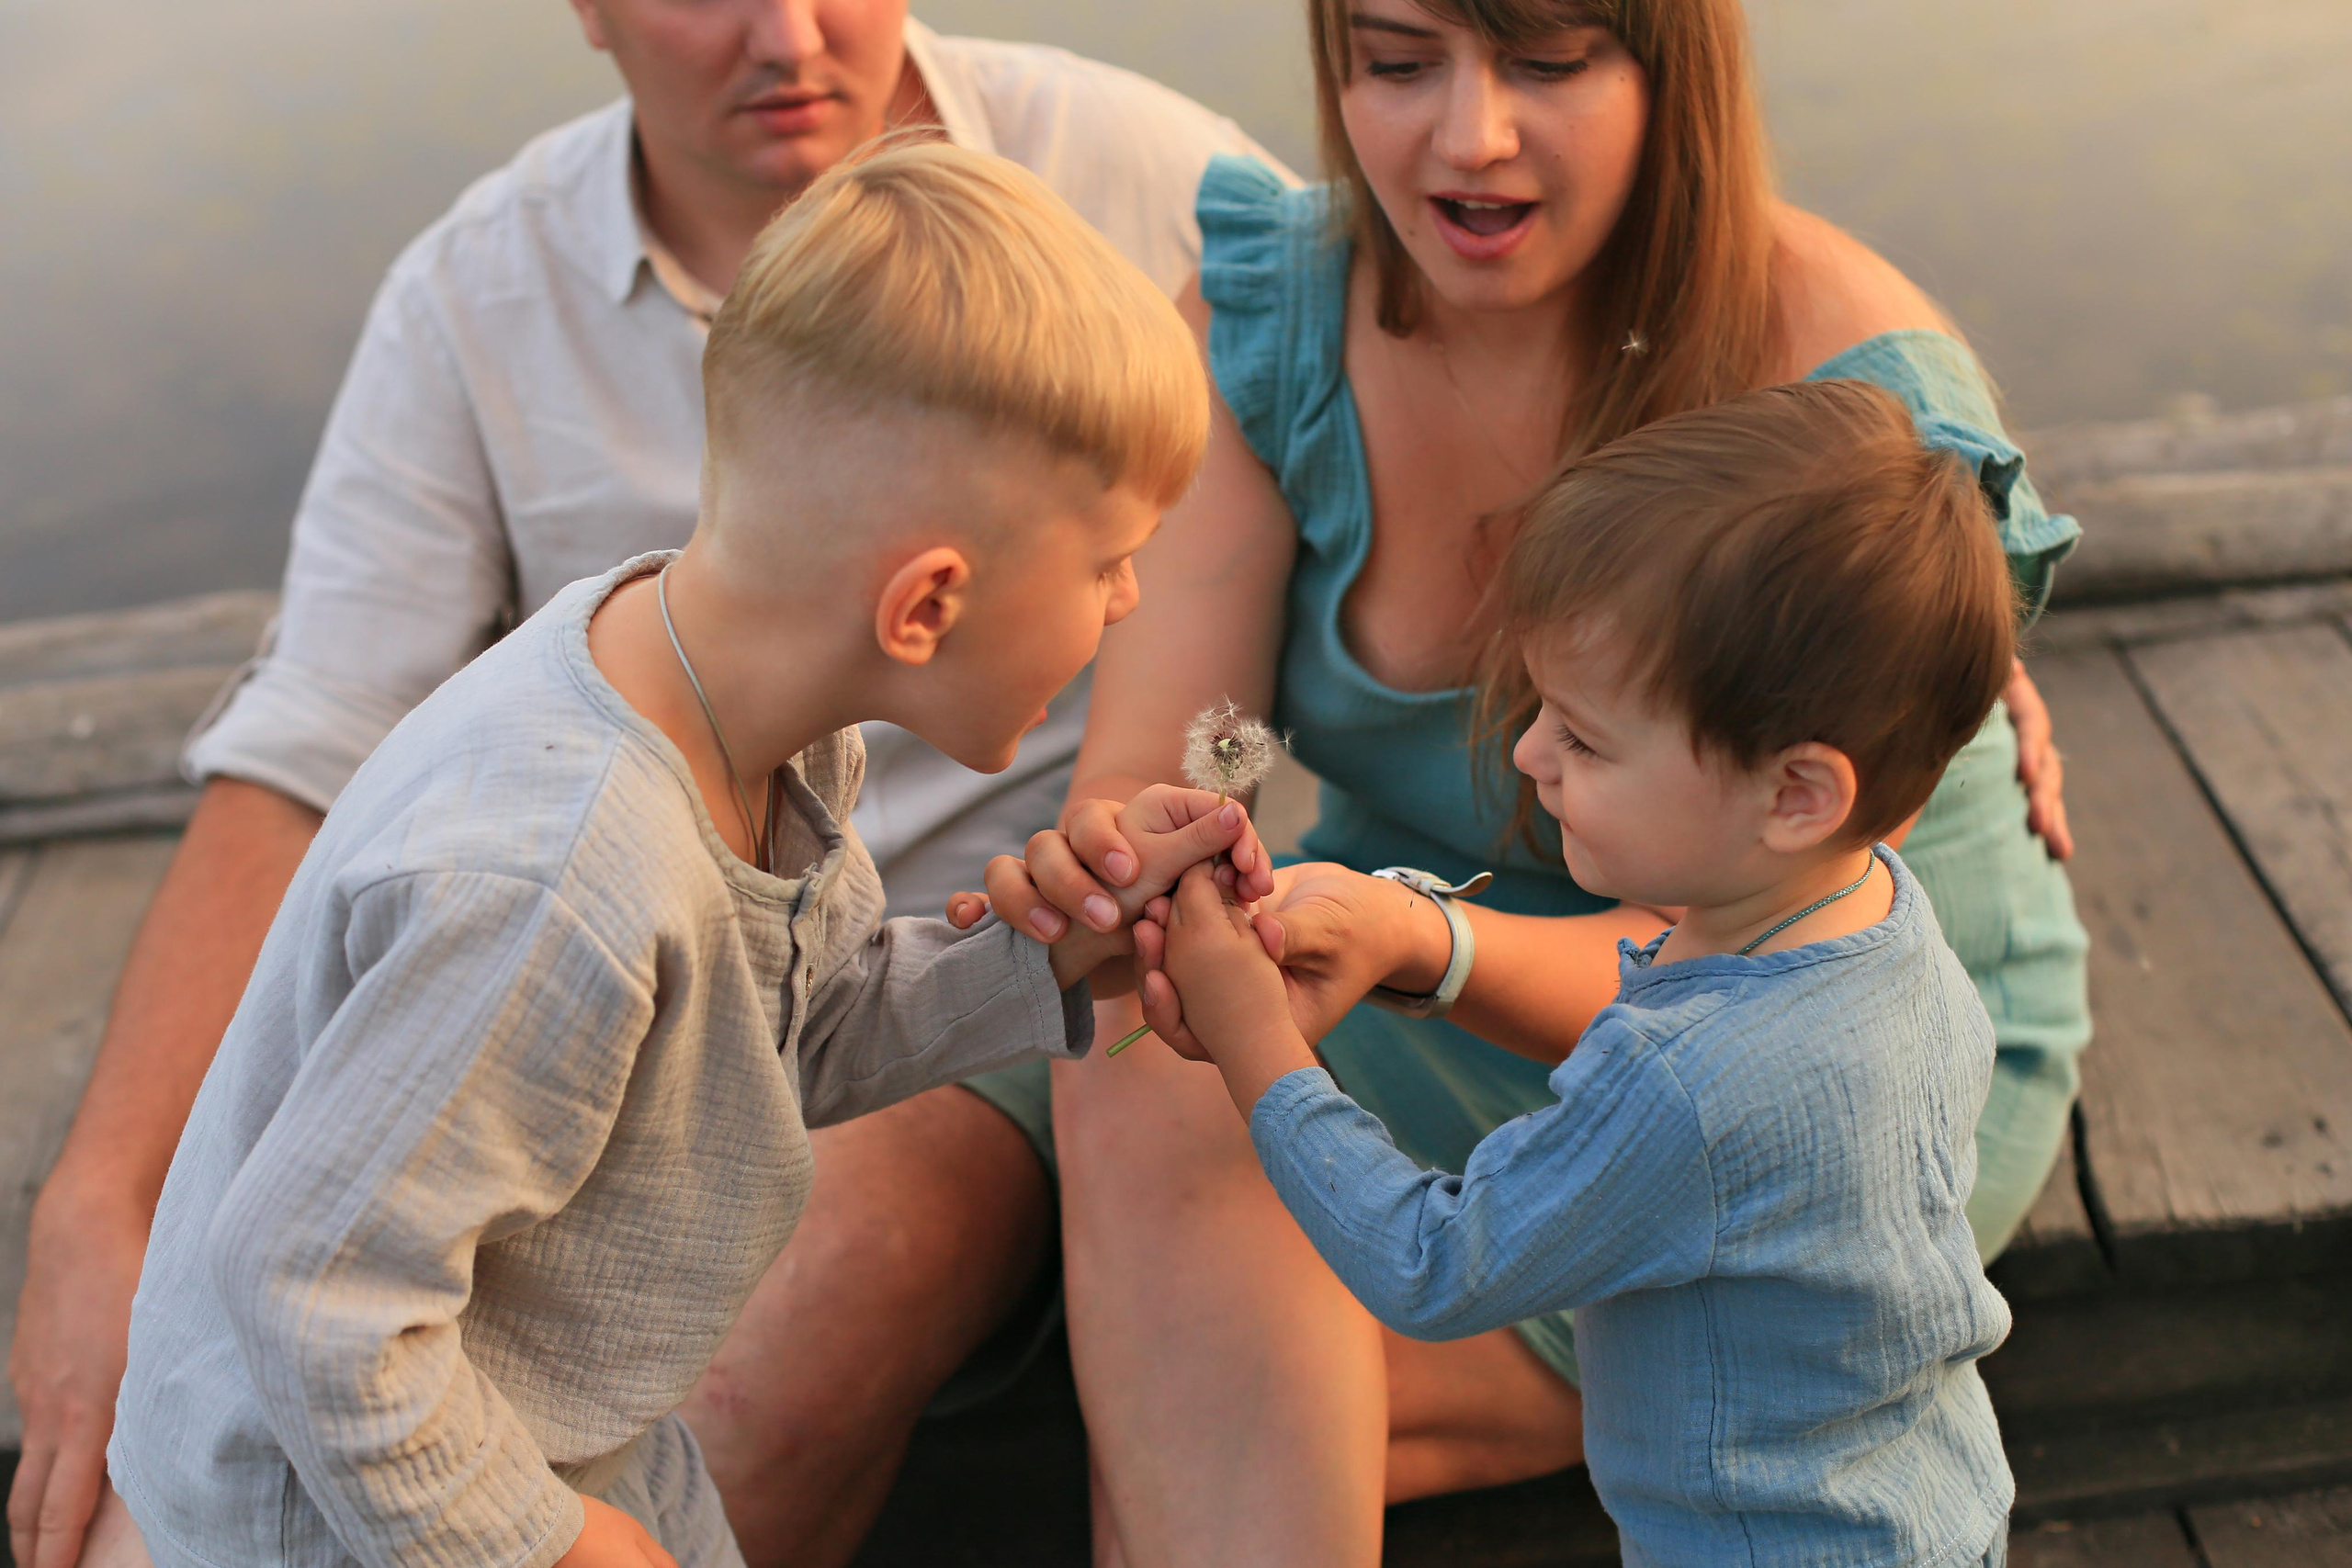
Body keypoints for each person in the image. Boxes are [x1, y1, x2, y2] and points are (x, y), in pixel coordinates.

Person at [8, 6, 1285, 1567]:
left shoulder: (743, 699)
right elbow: (316, 1293)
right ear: (925, 607)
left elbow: (773, 1034)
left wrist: (1039, 968)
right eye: (1108, 565)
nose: (1136, 610)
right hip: (346, 1524)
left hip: (567, 1432)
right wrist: (547, 1543)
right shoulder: (555, 883)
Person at [978, 0, 2087, 1558]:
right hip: (1430, 938)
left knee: (1205, 1415)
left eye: (1550, 60)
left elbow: (1726, 1001)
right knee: (1140, 1235)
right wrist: (1167, 832)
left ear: (1670, 72)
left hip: (1778, 1060)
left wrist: (1349, 975)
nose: (1468, 134)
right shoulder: (1268, 311)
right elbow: (1201, 726)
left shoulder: (1858, 395)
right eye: (1396, 58)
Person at [1137, 378, 2020, 1567]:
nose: (1530, 754)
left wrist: (1261, 1051)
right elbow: (1683, 988)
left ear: (1796, 793)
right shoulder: (1883, 922)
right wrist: (1416, 936)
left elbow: (1434, 1265)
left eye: (1585, 736)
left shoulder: (1684, 1089)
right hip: (1927, 1516)